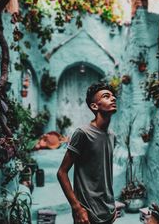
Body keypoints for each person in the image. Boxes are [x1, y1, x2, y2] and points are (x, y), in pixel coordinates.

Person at [57, 83, 118, 224]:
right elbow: (62, 172)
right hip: (87, 213)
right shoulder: (83, 133)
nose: (113, 98)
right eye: (106, 96)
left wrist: (112, 205)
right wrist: (77, 208)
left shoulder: (112, 136)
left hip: (108, 211)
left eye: (113, 96)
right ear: (95, 106)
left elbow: (104, 174)